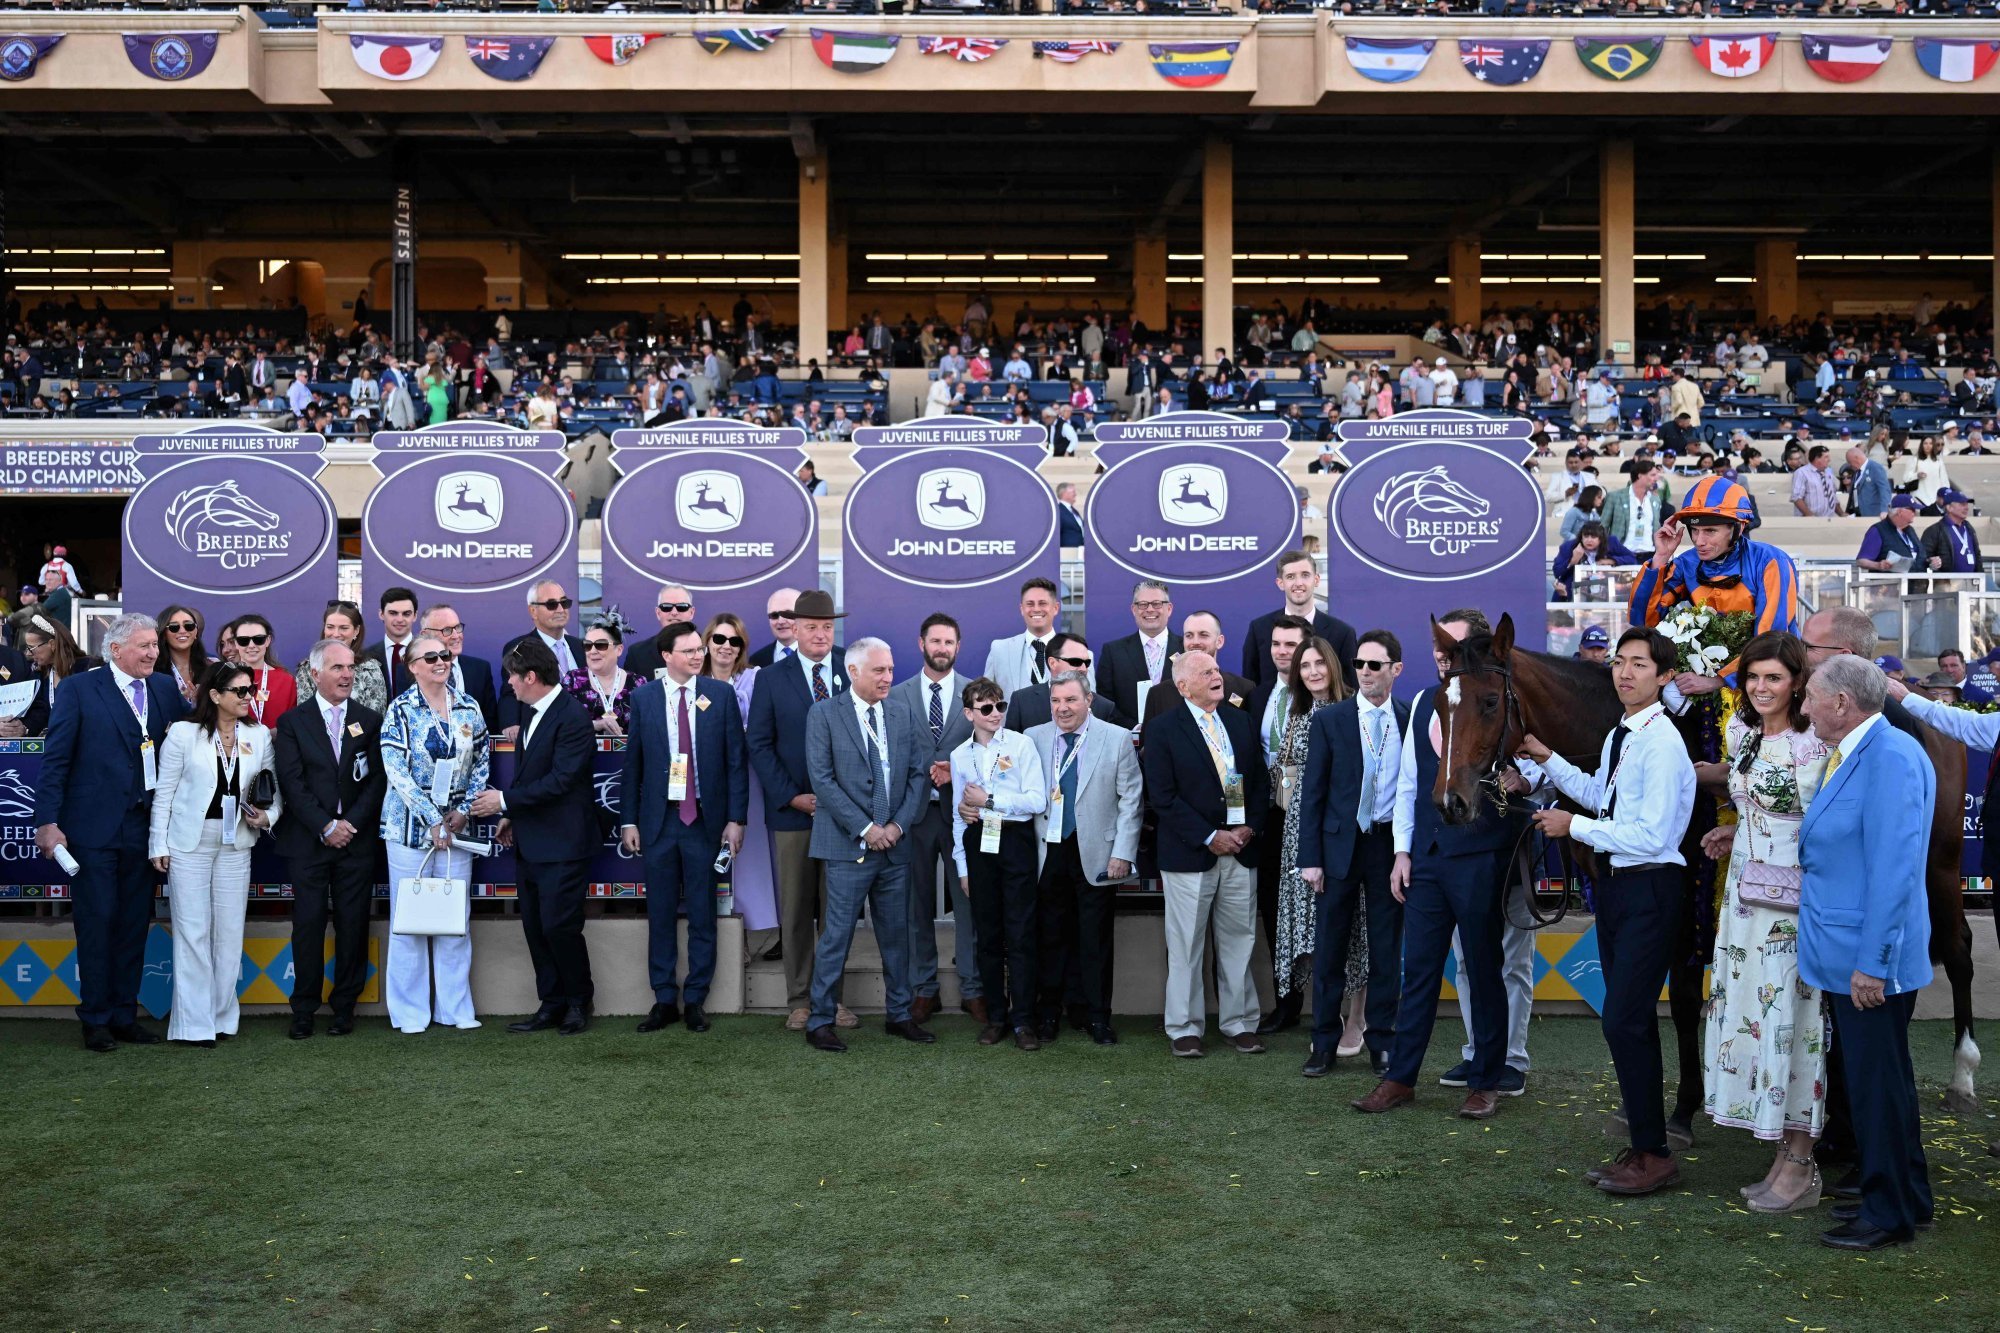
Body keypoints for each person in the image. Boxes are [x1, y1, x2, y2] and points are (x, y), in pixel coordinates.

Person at [1521, 627, 1696, 1196]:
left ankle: (1654, 1152)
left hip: (1649, 887)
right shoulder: (1626, 733)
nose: (1625, 673)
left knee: (1625, 1019)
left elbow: (1650, 835)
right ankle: (1646, 1145)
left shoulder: (1663, 741)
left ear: (1665, 677)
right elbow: (1603, 796)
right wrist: (1547, 759)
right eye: (1620, 662)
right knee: (1627, 1021)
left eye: (1640, 665)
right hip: (1620, 889)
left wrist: (1573, 826)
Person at [1352, 610, 1528, 1119]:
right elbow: (1408, 785)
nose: (1442, 654)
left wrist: (1526, 779)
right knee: (1420, 971)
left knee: (1483, 968)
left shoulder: (1500, 702)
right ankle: (1400, 1078)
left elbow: (1535, 765)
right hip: (1427, 858)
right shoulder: (1427, 708)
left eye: (1452, 646)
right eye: (1439, 647)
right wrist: (1402, 853)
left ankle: (1486, 1080)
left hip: (1479, 857)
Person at [1688, 631, 1830, 1212]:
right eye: (1753, 677)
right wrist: (1732, 831)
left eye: (1774, 677)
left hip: (1792, 913)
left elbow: (1820, 824)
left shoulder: (1818, 743)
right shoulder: (1741, 735)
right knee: (1751, 1019)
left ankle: (1801, 1163)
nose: (1761, 688)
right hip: (1744, 905)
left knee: (1793, 1025)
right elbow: (1753, 805)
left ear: (1797, 682)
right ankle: (1780, 1157)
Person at [1801, 656, 1935, 1250]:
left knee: (1877, 1087)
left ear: (1840, 703)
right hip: (1852, 952)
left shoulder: (1889, 757)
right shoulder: (1864, 751)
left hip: (1868, 960)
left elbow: (1894, 871)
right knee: (1887, 1084)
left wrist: (1872, 964)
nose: (1802, 707)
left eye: (1809, 695)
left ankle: (1887, 1214)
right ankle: (1908, 1197)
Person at [35, 613, 188, 1051]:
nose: (153, 653)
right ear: (115, 649)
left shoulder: (162, 688)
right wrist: (47, 822)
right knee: (98, 921)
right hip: (92, 829)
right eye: (144, 646)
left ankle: (125, 1015)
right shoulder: (81, 689)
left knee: (134, 923)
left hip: (145, 829)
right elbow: (56, 760)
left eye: (154, 646)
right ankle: (95, 1019)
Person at [801, 637, 931, 1053]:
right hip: (846, 847)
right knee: (836, 936)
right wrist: (866, 828)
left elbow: (917, 775)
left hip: (895, 846)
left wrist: (896, 825)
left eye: (890, 669)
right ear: (853, 671)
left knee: (897, 936)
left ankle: (900, 1015)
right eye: (879, 670)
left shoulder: (902, 711)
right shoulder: (823, 714)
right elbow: (822, 780)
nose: (888, 677)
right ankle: (820, 1020)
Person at [620, 622, 748, 1035]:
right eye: (690, 651)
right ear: (666, 656)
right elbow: (633, 765)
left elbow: (735, 763)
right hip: (658, 823)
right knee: (659, 914)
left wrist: (735, 818)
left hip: (704, 824)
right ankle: (663, 999)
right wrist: (629, 820)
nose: (698, 656)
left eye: (700, 649)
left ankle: (695, 1000)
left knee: (702, 914)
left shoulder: (721, 695)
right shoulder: (643, 698)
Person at [468, 639, 599, 1036]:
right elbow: (531, 776)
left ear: (531, 677)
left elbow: (561, 781)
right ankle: (552, 1003)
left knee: (561, 927)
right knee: (536, 926)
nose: (508, 683)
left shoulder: (572, 716)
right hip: (530, 840)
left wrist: (504, 800)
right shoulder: (531, 712)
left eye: (512, 675)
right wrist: (512, 815)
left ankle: (579, 1002)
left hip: (564, 843)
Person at [1143, 650, 1269, 1058]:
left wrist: (1250, 827)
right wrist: (1208, 835)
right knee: (1185, 945)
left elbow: (1259, 784)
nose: (1217, 675)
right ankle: (1184, 1027)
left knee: (1239, 940)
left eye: (1217, 668)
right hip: (1189, 855)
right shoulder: (1162, 730)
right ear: (1183, 687)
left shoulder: (1239, 720)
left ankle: (1240, 1023)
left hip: (1240, 849)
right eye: (1206, 672)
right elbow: (1162, 797)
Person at [147, 661, 281, 1047]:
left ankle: (222, 1018)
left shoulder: (258, 735)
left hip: (237, 840)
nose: (247, 697)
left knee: (229, 932)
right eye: (239, 691)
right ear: (215, 695)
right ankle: (193, 1025)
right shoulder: (184, 734)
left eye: (250, 690)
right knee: (192, 931)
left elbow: (273, 788)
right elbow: (164, 793)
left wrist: (267, 817)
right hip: (188, 841)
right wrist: (158, 842)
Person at [746, 588, 853, 1029]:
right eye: (811, 627)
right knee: (795, 909)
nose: (820, 635)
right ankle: (799, 999)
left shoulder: (853, 668)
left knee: (838, 910)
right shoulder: (772, 677)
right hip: (793, 813)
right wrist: (791, 795)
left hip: (847, 817)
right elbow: (760, 743)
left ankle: (832, 1000)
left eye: (827, 627)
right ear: (795, 629)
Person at [273, 638, 386, 1040]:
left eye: (351, 667)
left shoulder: (370, 720)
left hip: (356, 842)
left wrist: (348, 825)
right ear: (315, 673)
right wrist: (325, 826)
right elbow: (292, 783)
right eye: (338, 668)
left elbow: (376, 780)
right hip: (308, 842)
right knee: (308, 926)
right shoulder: (292, 723)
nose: (347, 675)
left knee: (353, 926)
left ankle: (344, 1007)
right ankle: (304, 1008)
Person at [378, 631, 490, 1034]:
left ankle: (455, 1010)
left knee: (453, 922)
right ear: (412, 667)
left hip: (458, 830)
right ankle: (409, 1015)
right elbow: (396, 771)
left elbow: (481, 762)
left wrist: (460, 811)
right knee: (408, 923)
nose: (440, 662)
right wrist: (431, 818)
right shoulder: (400, 710)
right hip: (410, 831)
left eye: (444, 655)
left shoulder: (467, 706)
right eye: (430, 658)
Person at [1025, 671, 1141, 1047]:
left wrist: (1122, 853)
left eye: (1071, 700)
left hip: (1098, 854)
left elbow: (1131, 801)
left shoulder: (1117, 738)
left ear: (1088, 700)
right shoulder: (1033, 738)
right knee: (1050, 936)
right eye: (1056, 701)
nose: (1063, 708)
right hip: (1048, 850)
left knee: (1095, 941)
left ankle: (1097, 1017)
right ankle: (1048, 1014)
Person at [888, 613, 981, 1027]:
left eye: (949, 642)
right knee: (917, 906)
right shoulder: (897, 695)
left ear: (958, 647)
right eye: (935, 641)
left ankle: (974, 989)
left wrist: (953, 770)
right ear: (921, 643)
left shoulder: (976, 694)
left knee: (969, 904)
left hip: (963, 815)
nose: (942, 648)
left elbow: (990, 750)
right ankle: (924, 990)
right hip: (914, 815)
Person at [947, 676, 1049, 1049]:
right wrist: (962, 868)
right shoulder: (960, 756)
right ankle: (995, 1016)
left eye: (1000, 706)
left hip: (1015, 839)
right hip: (979, 845)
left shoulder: (1022, 745)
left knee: (1021, 933)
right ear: (969, 713)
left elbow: (1037, 800)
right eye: (986, 708)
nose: (995, 714)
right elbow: (959, 815)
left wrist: (991, 800)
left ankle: (1023, 1020)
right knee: (987, 936)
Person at [1631, 475, 1800, 693]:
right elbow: (1643, 621)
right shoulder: (1687, 563)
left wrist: (1719, 680)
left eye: (1710, 531)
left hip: (1769, 682)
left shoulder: (1771, 561)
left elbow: (1773, 641)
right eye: (1694, 530)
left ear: (1737, 528)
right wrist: (1661, 557)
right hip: (1706, 675)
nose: (1699, 541)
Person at [1249, 615, 1314, 1033]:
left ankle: (1329, 1004)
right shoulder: (1254, 698)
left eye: (1291, 644)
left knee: (1318, 909)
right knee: (1274, 911)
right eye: (1276, 644)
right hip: (1269, 819)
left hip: (1310, 819)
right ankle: (1285, 1003)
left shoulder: (1320, 698)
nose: (1282, 651)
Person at [700, 611, 778, 937]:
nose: (726, 646)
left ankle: (743, 934)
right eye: (719, 639)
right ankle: (710, 931)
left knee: (746, 860)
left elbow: (761, 729)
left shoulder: (755, 678)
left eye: (735, 640)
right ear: (706, 643)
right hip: (700, 782)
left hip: (747, 780)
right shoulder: (692, 680)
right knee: (704, 855)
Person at [1243, 550, 1359, 692]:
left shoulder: (1342, 633)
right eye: (1290, 576)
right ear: (1280, 583)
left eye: (1305, 575)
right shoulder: (1259, 628)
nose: (1298, 583)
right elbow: (1250, 684)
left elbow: (1351, 689)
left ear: (1316, 580)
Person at [500, 581, 586, 735]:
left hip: (581, 732)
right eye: (551, 605)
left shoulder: (582, 647)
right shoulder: (519, 647)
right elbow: (510, 692)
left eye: (564, 603)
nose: (561, 609)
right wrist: (511, 723)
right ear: (533, 611)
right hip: (541, 734)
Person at [1094, 580, 1180, 729]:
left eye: (1157, 603)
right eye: (1143, 604)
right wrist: (1134, 730)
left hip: (1179, 737)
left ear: (1169, 609)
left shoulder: (1187, 649)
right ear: (1134, 609)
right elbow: (1105, 703)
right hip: (1129, 740)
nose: (1150, 609)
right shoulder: (1113, 652)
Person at [1003, 632, 1115, 734]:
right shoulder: (1022, 701)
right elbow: (1009, 748)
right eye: (1075, 662)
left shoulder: (1104, 707)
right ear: (1052, 663)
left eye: (1087, 662)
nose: (1083, 668)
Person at [11, 612, 95, 738]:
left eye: (32, 648)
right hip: (55, 747)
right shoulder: (39, 674)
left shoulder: (88, 668)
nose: (28, 654)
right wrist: (25, 729)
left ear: (52, 644)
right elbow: (40, 713)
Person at [296, 601, 388, 714]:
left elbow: (376, 718)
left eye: (343, 628)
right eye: (330, 627)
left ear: (356, 631)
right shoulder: (308, 669)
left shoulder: (370, 669)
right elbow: (303, 716)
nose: (335, 634)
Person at [415, 604, 498, 731]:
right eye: (447, 630)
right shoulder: (411, 672)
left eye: (457, 627)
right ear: (425, 634)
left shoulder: (480, 670)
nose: (456, 636)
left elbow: (489, 723)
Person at [983, 577, 1063, 697]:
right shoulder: (999, 650)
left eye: (1042, 603)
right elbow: (985, 698)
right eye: (1030, 604)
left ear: (1056, 608)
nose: (1036, 609)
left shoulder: (1078, 654)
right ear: (1022, 609)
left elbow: (1089, 703)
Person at [221, 614, 296, 728]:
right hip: (235, 744)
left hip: (277, 743)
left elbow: (293, 723)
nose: (251, 645)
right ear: (236, 643)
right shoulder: (223, 677)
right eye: (243, 640)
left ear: (268, 640)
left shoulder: (286, 680)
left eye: (258, 639)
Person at [566, 618, 638, 737]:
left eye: (600, 645)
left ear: (619, 650)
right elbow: (561, 723)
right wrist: (595, 724)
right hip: (583, 753)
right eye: (587, 645)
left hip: (627, 754)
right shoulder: (573, 680)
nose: (592, 651)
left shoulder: (638, 683)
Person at [1550, 521, 1640, 602]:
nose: (1589, 540)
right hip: (1573, 593)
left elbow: (1632, 559)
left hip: (1604, 592)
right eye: (1586, 536)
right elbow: (1557, 572)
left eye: (1593, 537)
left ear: (1601, 538)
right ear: (1581, 537)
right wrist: (1573, 560)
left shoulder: (1611, 543)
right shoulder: (1569, 546)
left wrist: (1610, 561)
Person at [624, 584, 698, 680]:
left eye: (682, 607)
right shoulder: (637, 654)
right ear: (658, 613)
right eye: (666, 607)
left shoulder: (708, 651)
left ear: (691, 612)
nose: (674, 612)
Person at [1602, 459, 1674, 554]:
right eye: (1652, 475)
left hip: (1649, 554)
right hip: (1621, 553)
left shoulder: (1655, 500)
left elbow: (1655, 528)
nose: (1656, 478)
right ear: (1640, 476)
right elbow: (1603, 526)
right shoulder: (1615, 497)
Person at [364, 586, 421, 701]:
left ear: (415, 616)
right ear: (381, 614)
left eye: (406, 614)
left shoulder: (428, 654)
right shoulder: (366, 657)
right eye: (393, 613)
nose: (400, 619)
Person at [155, 604, 212, 708]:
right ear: (164, 634)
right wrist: (178, 701)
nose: (182, 631)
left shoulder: (210, 669)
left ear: (196, 632)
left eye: (189, 625)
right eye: (174, 627)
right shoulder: (153, 672)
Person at [1854, 495, 1924, 573]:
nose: (1915, 512)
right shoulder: (1878, 530)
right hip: (1890, 583)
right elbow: (1861, 561)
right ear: (1900, 512)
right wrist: (1878, 565)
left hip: (1915, 582)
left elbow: (1918, 555)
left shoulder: (1910, 530)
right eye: (1912, 509)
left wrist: (1929, 561)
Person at [1921, 487, 1982, 573]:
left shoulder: (1968, 528)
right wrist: (1931, 562)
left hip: (1972, 582)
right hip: (1946, 583)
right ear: (1949, 507)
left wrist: (1980, 575)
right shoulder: (1934, 531)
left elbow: (1977, 555)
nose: (1966, 508)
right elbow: (1922, 559)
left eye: (1966, 504)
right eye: (1962, 504)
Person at [748, 587, 802, 667]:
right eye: (774, 615)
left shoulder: (821, 655)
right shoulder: (756, 661)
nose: (781, 621)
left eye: (787, 614)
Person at [1791, 446, 1841, 519]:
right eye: (1826, 457)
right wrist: (1810, 516)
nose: (1829, 460)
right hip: (1808, 521)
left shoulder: (1828, 473)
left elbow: (1832, 496)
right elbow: (1796, 497)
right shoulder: (1801, 473)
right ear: (1817, 458)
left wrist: (1841, 513)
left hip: (1829, 520)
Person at [1847, 446, 1892, 518]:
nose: (1849, 465)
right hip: (1858, 514)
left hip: (1873, 514)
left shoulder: (1875, 468)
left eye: (1849, 462)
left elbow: (1884, 490)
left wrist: (1885, 510)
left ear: (1856, 458)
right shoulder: (1856, 472)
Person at [1056, 482, 1085, 548]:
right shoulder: (1058, 510)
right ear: (1064, 494)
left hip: (1078, 551)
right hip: (1066, 552)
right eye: (1073, 492)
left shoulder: (1074, 511)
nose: (1075, 494)